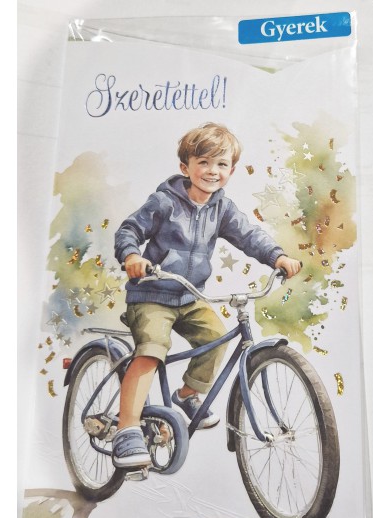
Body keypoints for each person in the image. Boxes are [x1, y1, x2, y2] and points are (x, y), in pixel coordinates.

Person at [112, 122, 301, 468]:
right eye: (203, 162)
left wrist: (277, 256)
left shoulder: (222, 208)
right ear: (185, 168)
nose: (212, 171)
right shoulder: (164, 202)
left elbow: (248, 236)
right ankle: (127, 429)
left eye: (221, 164)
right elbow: (130, 229)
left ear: (231, 170)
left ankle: (186, 394)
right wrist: (132, 256)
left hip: (189, 296)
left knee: (216, 338)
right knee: (152, 350)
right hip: (152, 293)